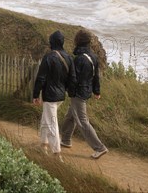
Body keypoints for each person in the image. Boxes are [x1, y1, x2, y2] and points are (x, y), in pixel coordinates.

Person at [61, 29, 109, 159]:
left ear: (78, 41)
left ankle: (100, 147)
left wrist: (67, 89)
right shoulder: (93, 56)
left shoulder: (79, 59)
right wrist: (96, 91)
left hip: (78, 93)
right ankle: (65, 140)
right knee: (70, 117)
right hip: (86, 91)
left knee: (82, 121)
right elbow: (96, 76)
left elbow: (73, 79)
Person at [32, 30, 75, 161]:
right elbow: (72, 78)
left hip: (50, 96)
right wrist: (69, 91)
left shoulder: (49, 57)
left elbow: (41, 78)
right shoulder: (68, 57)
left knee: (51, 123)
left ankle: (57, 153)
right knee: (46, 118)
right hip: (61, 96)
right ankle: (43, 144)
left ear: (52, 42)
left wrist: (35, 94)